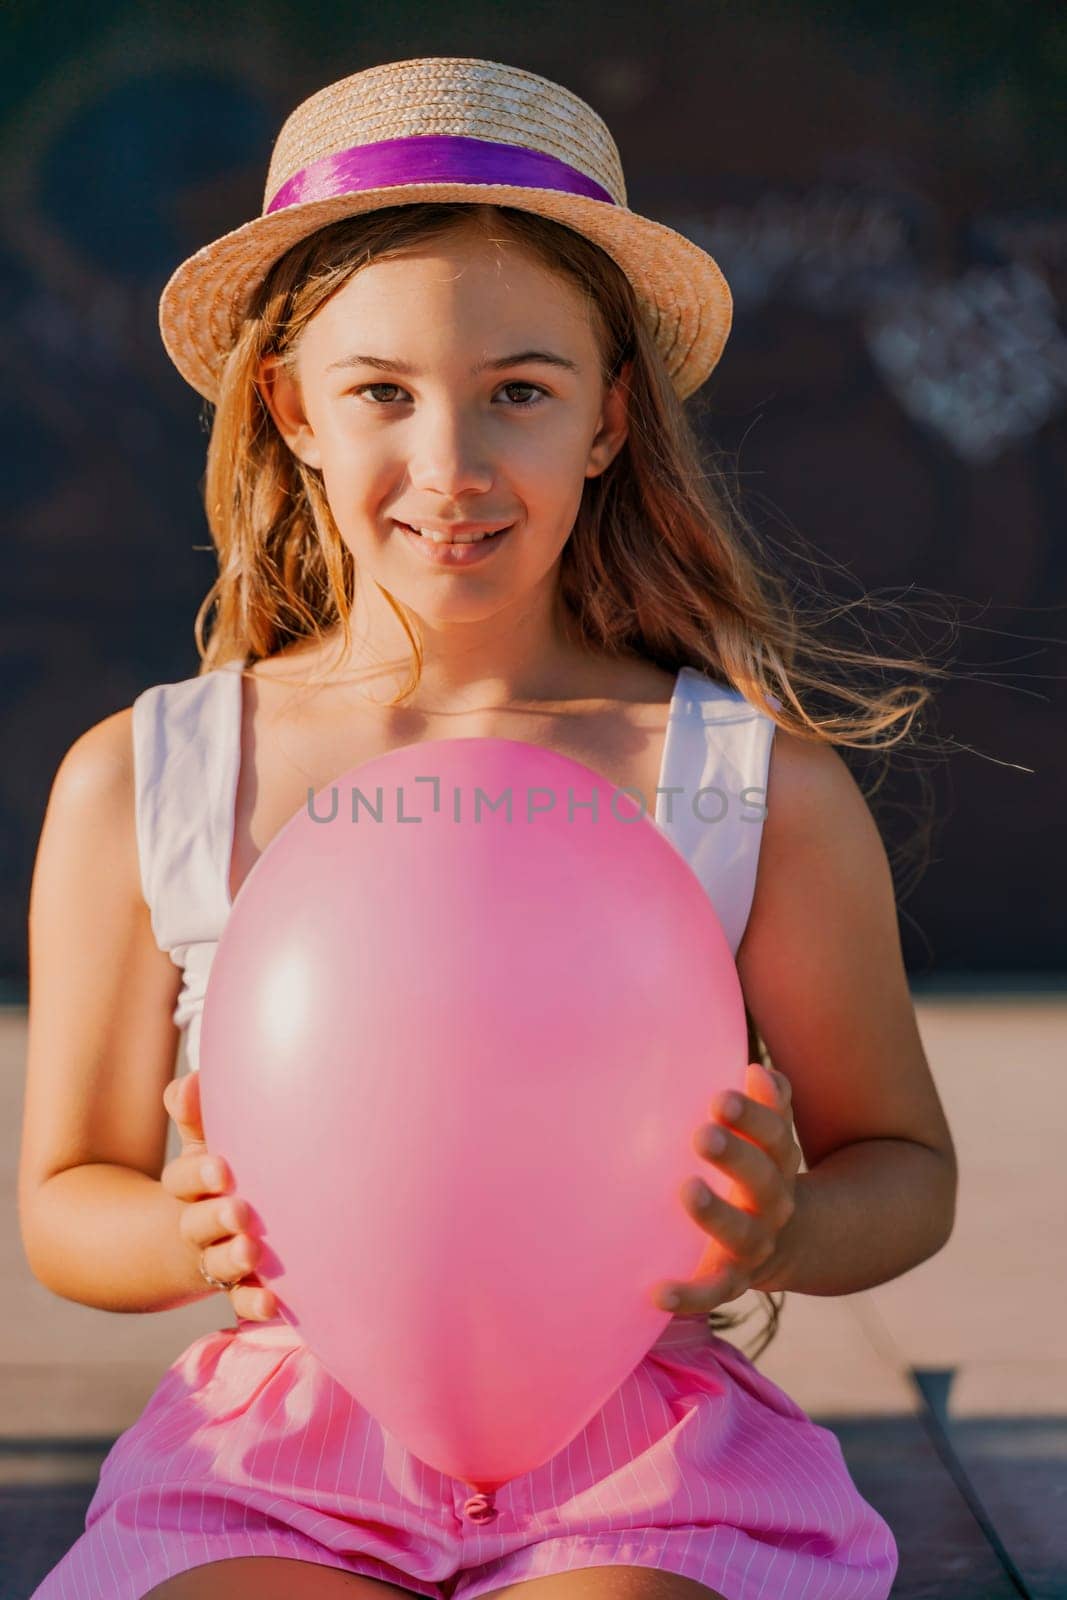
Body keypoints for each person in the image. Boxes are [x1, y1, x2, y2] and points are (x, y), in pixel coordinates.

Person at [19, 55, 958, 1600]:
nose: (450, 465)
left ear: (606, 422)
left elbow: (904, 1165)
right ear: (291, 412)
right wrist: (190, 1235)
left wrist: (780, 1229)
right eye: (380, 391)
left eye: (521, 390)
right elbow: (67, 1200)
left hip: (644, 1467)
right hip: (275, 1472)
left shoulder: (746, 783)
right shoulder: (148, 777)